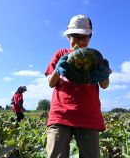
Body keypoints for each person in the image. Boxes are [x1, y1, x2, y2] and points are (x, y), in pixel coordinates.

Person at [44, 14, 111, 158]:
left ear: (90, 37)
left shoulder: (95, 56)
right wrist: (57, 70)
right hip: (60, 115)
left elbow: (104, 85)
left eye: (84, 37)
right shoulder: (61, 54)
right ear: (68, 37)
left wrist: (104, 74)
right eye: (75, 36)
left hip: (88, 115)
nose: (80, 41)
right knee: (56, 155)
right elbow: (51, 83)